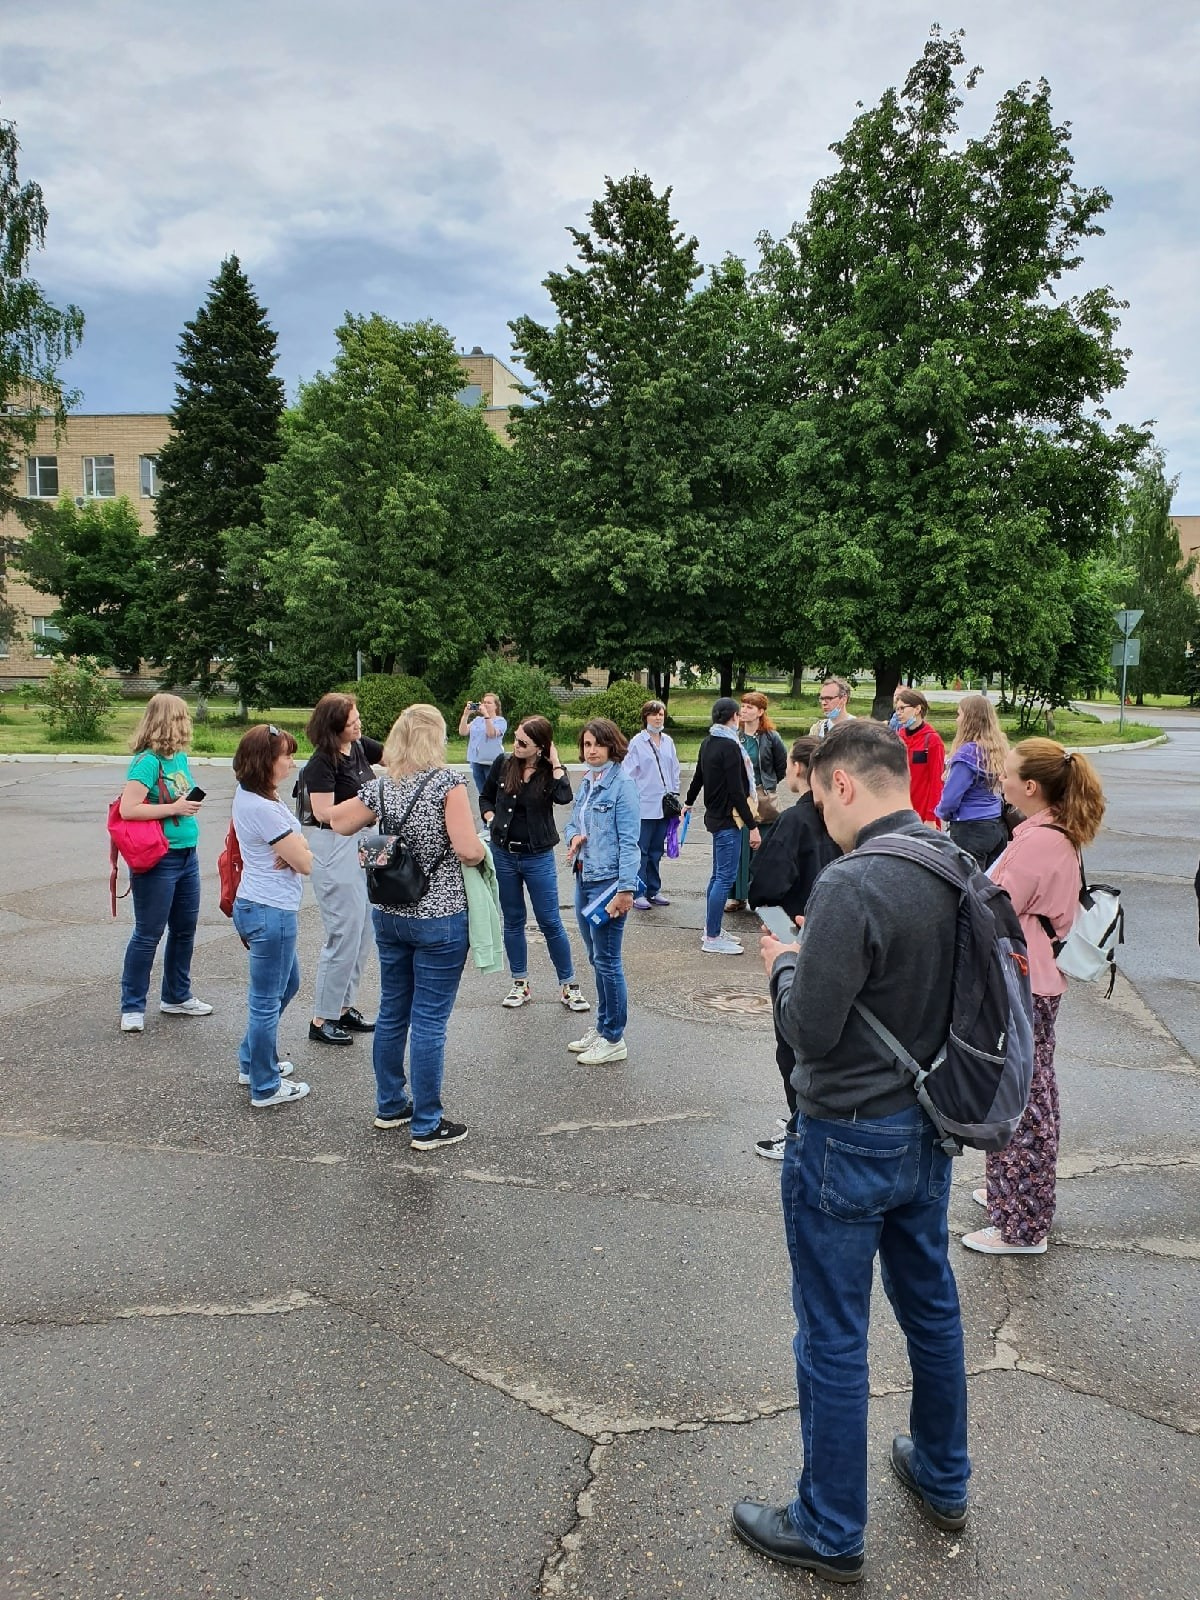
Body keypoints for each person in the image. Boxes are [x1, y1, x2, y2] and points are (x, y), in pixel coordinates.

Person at [734, 720, 969, 1584]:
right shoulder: (954, 863)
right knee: (931, 1307)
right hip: (931, 1122)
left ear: (841, 785)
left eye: (814, 793)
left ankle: (831, 1527)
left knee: (834, 1335)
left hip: (846, 1134)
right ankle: (944, 1475)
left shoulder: (853, 882)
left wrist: (785, 962)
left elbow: (811, 1029)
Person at [963, 738, 1105, 1255]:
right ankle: (1009, 1191)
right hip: (1029, 978)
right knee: (1021, 1088)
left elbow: (992, 905)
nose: (999, 778)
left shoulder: (1041, 841)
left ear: (1030, 787)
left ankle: (1022, 1224)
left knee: (1022, 1096)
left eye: (1008, 773)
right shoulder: (1042, 831)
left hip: (1026, 981)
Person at [329, 704, 486, 1150]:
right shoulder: (447, 784)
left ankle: (390, 1105)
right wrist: (477, 849)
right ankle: (427, 1123)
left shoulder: (383, 786)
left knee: (393, 1011)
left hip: (391, 914)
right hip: (439, 916)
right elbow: (468, 850)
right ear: (435, 739)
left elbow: (338, 822)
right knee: (430, 1021)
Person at [746, 736, 840, 1159]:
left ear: (801, 769)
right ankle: (809, 1124)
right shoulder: (843, 820)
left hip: (799, 936)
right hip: (838, 937)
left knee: (793, 1041)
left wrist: (783, 939)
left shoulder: (795, 822)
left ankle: (800, 1131)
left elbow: (764, 889)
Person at [478, 715, 589, 1014]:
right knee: (513, 920)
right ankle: (520, 983)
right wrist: (489, 817)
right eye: (515, 739)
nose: (516, 745)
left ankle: (568, 986)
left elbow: (565, 797)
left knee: (550, 921)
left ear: (540, 747)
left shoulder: (547, 772)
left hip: (537, 856)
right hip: (504, 854)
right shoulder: (504, 763)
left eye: (524, 742)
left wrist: (555, 763)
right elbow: (485, 797)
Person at [230, 724, 313, 1108]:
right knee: (265, 1000)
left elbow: (297, 854)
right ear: (267, 762)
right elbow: (305, 863)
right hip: (270, 911)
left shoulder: (255, 795)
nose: (292, 763)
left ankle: (253, 1059)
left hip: (259, 905)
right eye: (286, 756)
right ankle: (264, 1085)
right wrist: (297, 851)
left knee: (288, 984)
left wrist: (296, 849)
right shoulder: (263, 807)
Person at [117, 693, 210, 1034]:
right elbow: (129, 808)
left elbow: (180, 795)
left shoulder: (178, 757)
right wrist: (174, 809)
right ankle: (132, 1006)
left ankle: (176, 996)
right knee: (148, 933)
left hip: (187, 854)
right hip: (159, 858)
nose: (189, 723)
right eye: (183, 717)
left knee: (184, 929)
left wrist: (185, 804)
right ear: (169, 720)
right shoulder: (147, 761)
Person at [301, 693, 382, 1046]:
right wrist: (369, 799)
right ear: (335, 727)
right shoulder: (321, 762)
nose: (359, 724)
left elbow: (396, 753)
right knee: (344, 930)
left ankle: (344, 1006)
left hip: (370, 837)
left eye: (358, 718)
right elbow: (322, 813)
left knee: (367, 928)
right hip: (336, 844)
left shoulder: (360, 747)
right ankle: (322, 1017)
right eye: (351, 721)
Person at [563, 718, 641, 1065]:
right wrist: (573, 838)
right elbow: (571, 821)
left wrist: (626, 890)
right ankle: (603, 1025)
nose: (590, 750)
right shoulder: (588, 782)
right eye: (586, 744)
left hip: (608, 882)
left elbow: (630, 842)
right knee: (597, 958)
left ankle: (614, 1037)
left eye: (597, 744)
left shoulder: (622, 785)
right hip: (584, 876)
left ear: (612, 746)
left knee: (608, 961)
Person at [684, 697, 761, 955]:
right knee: (724, 878)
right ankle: (713, 936)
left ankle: (712, 928)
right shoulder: (730, 747)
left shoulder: (708, 742)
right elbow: (737, 792)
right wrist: (752, 825)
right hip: (728, 819)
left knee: (718, 876)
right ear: (735, 717)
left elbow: (698, 777)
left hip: (716, 817)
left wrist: (688, 801)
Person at [726, 691, 789, 913]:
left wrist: (768, 784)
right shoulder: (734, 735)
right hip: (739, 799)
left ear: (761, 712)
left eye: (750, 707)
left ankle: (760, 898)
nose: (744, 710)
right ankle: (737, 897)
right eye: (743, 706)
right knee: (739, 849)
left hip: (763, 799)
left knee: (762, 851)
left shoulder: (771, 737)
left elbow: (781, 767)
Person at [622, 699, 682, 910]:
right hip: (644, 804)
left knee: (657, 850)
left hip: (664, 805)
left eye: (661, 714)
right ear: (645, 717)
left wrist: (675, 795)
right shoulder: (637, 742)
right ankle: (638, 891)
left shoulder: (668, 741)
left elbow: (674, 769)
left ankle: (653, 889)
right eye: (653, 714)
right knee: (642, 850)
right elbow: (628, 773)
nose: (658, 718)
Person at [935, 693, 1008, 867]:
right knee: (990, 885)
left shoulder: (968, 753)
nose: (956, 720)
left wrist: (941, 813)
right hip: (996, 825)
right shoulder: (997, 748)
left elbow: (951, 798)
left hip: (970, 828)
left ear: (970, 719)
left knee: (969, 887)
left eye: (959, 714)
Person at [896, 689, 946, 825]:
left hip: (923, 815)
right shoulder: (899, 737)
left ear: (917, 709)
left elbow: (937, 782)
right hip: (901, 811)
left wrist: (931, 817)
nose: (898, 713)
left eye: (902, 708)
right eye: (897, 709)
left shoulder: (932, 740)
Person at [458, 693, 507, 795]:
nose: (485, 705)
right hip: (476, 760)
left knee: (492, 791)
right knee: (482, 792)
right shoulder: (477, 720)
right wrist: (466, 714)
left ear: (496, 706)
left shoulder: (500, 721)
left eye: (489, 703)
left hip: (491, 761)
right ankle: (485, 809)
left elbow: (491, 734)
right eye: (484, 702)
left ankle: (495, 809)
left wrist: (486, 715)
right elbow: (463, 732)